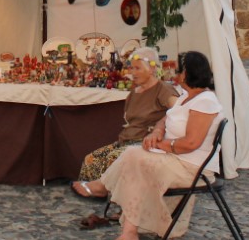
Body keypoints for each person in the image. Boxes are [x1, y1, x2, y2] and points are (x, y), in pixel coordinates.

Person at [71, 50, 223, 240]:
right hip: (173, 158)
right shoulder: (187, 96)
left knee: (133, 155)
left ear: (187, 73)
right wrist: (159, 131)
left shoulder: (205, 101)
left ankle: (102, 187)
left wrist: (160, 145)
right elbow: (166, 117)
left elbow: (191, 143)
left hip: (191, 168)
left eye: (178, 70)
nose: (174, 73)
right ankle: (129, 233)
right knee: (134, 162)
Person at [75, 54, 176, 229]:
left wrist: (159, 128)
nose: (132, 72)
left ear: (152, 69)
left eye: (138, 68)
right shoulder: (134, 92)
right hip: (127, 140)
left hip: (144, 143)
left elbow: (178, 111)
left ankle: (127, 208)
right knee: (91, 159)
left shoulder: (163, 90)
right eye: (131, 68)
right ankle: (116, 202)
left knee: (113, 159)